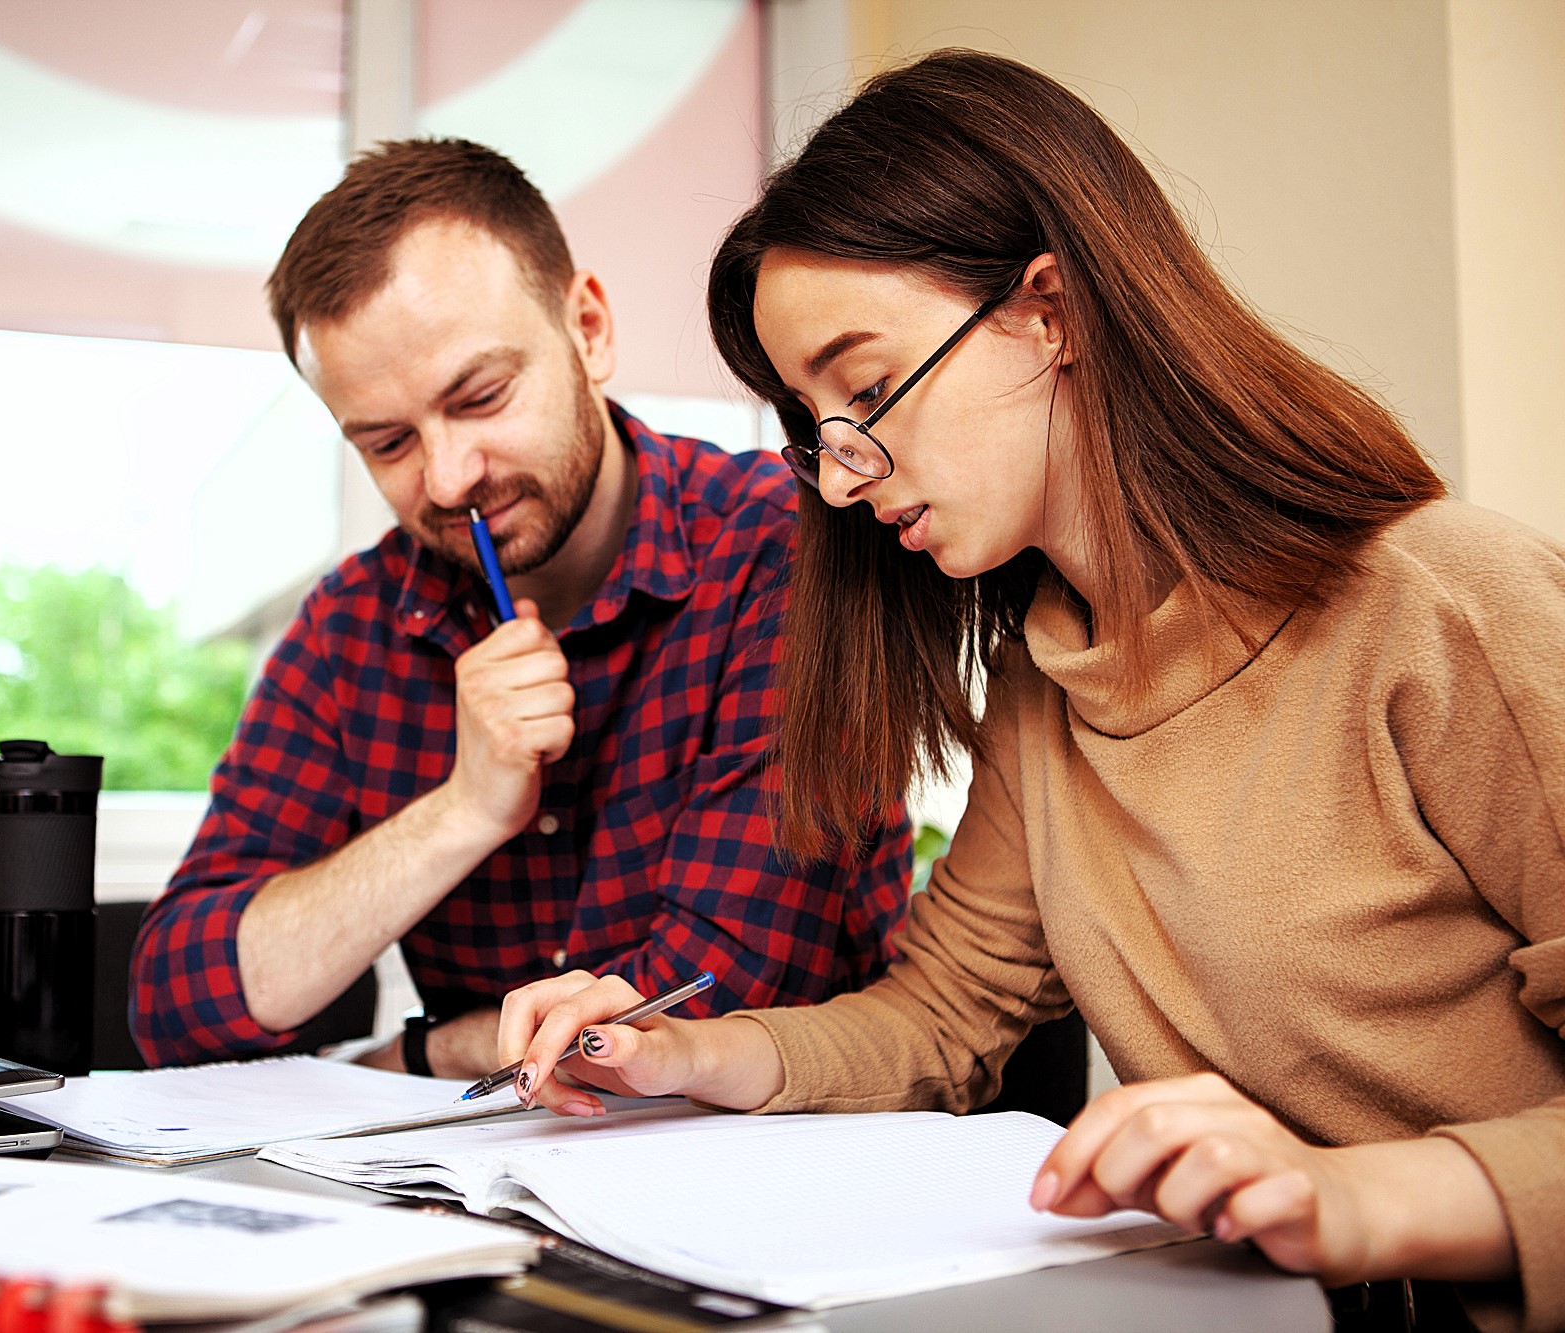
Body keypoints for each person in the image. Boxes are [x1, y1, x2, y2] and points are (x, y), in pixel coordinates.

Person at [496, 51, 1565, 1332]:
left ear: (1049, 312)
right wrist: (680, 1054)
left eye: (868, 386)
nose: (838, 478)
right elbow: (943, 1014)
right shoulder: (1046, 674)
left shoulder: (1444, 603)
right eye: (812, 419)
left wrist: (1349, 1198)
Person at [128, 139, 912, 1080]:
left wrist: (428, 1050)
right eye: (387, 443)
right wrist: (464, 809)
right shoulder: (353, 627)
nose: (450, 477)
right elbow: (176, 1005)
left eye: (481, 396)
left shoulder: (785, 546)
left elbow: (715, 996)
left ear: (587, 328)